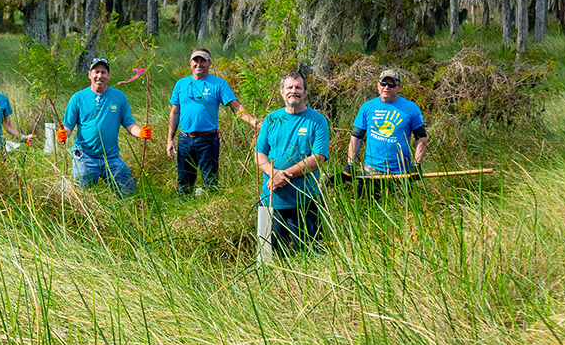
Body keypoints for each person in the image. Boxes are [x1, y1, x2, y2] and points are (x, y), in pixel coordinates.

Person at [165, 48, 260, 194]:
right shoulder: (181, 84)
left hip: (208, 140)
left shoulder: (219, 84)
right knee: (184, 183)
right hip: (184, 139)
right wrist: (169, 139)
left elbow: (236, 106)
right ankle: (187, 210)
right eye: (196, 60)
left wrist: (253, 121)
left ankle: (210, 210)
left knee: (210, 183)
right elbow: (174, 111)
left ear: (209, 63)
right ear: (190, 63)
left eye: (203, 60)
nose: (199, 64)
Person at [254, 72, 330, 253]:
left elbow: (317, 159)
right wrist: (274, 174)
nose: (293, 91)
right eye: (289, 87)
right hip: (270, 201)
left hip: (304, 201)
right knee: (267, 258)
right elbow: (259, 155)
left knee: (311, 255)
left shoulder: (318, 121)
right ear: (282, 91)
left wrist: (285, 176)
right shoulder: (271, 119)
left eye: (298, 87)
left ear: (305, 92)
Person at [59, 57, 152, 195]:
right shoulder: (78, 98)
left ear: (108, 75)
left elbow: (129, 124)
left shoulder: (119, 97)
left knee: (129, 190)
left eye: (103, 72)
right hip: (85, 157)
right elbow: (67, 126)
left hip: (111, 157)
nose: (99, 76)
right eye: (96, 72)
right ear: (90, 74)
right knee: (81, 196)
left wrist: (140, 132)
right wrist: (63, 134)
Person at [347, 69, 427, 195]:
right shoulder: (367, 107)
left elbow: (421, 137)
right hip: (371, 170)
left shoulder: (411, 108)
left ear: (398, 88)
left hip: (401, 170)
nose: (386, 87)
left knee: (404, 211)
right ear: (378, 85)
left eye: (391, 84)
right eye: (383, 83)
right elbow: (356, 136)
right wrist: (350, 163)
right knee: (367, 209)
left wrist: (417, 164)